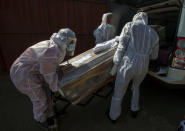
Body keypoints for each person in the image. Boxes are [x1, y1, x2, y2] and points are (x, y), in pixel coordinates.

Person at [10, 28, 77, 129]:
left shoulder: (56, 46)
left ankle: (49, 113)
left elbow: (50, 66)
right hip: (23, 74)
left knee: (47, 92)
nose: (72, 44)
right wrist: (57, 87)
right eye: (71, 42)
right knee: (40, 98)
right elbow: (49, 73)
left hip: (32, 70)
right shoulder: (51, 52)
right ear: (66, 41)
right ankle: (41, 119)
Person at [108, 12, 159, 122]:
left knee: (119, 90)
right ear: (146, 20)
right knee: (136, 86)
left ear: (135, 18)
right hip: (144, 65)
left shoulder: (130, 26)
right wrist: (146, 53)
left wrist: (116, 62)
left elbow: (122, 46)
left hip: (128, 63)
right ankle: (134, 109)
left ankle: (113, 116)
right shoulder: (154, 33)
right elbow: (155, 56)